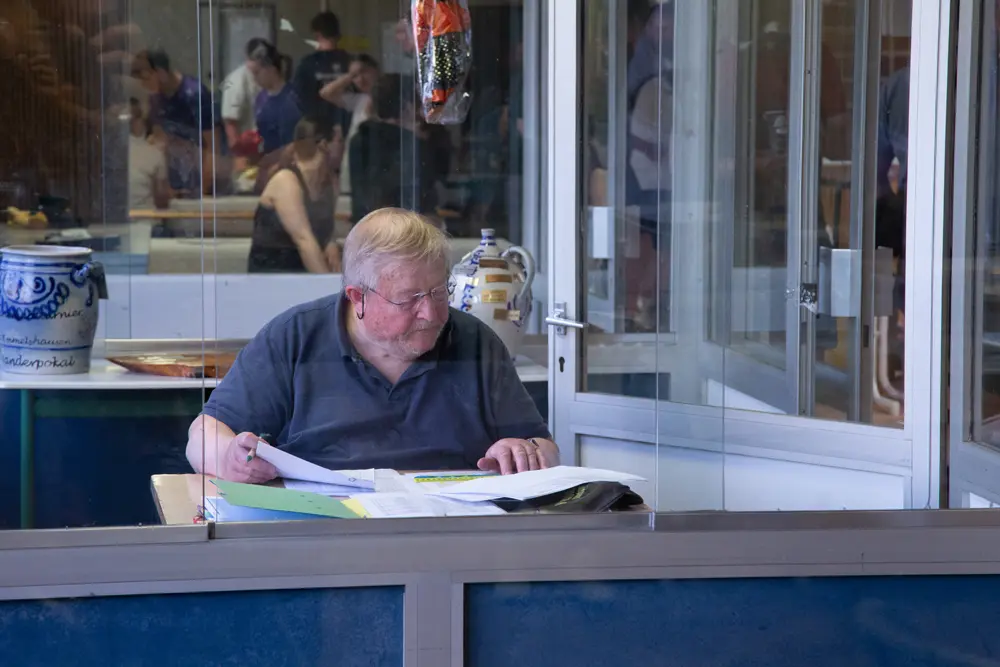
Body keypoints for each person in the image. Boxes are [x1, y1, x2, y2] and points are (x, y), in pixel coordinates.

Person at [188, 208, 558, 481]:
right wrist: (228, 458)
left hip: (449, 533)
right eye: (408, 298)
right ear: (357, 297)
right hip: (323, 531)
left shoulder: (476, 342)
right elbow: (202, 435)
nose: (430, 313)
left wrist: (523, 452)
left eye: (438, 292)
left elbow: (545, 449)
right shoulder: (294, 337)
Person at [247, 119, 340, 274]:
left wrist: (331, 244)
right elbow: (304, 241)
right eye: (339, 141)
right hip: (272, 276)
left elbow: (325, 229)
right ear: (324, 145)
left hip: (303, 272)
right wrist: (332, 290)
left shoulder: (329, 182)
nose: (343, 147)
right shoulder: (286, 180)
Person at [132, 49, 226, 196]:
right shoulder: (155, 98)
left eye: (146, 78)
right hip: (175, 176)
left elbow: (212, 146)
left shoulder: (195, 95)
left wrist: (204, 189)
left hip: (202, 172)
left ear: (161, 73)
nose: (143, 85)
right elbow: (159, 141)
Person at [349, 74, 438, 222]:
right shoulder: (414, 146)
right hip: (404, 231)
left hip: (366, 229)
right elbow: (426, 201)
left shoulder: (359, 140)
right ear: (408, 105)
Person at [319, 54, 379, 194]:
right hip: (355, 163)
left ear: (375, 70)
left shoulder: (389, 96)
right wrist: (349, 76)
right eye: (355, 76)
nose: (361, 79)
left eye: (364, 72)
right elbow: (326, 93)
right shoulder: (359, 100)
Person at [292, 11, 352, 136]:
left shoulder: (307, 65)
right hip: (348, 130)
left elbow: (299, 98)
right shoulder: (351, 63)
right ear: (338, 34)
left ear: (316, 35)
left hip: (318, 134)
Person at [248, 40, 301, 156]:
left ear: (271, 69)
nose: (254, 79)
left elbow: (292, 145)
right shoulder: (261, 97)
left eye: (257, 73)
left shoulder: (291, 99)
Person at [220, 37, 267, 154]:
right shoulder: (235, 81)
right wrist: (238, 155)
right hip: (245, 149)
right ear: (248, 58)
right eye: (255, 58)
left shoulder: (266, 74)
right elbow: (230, 123)